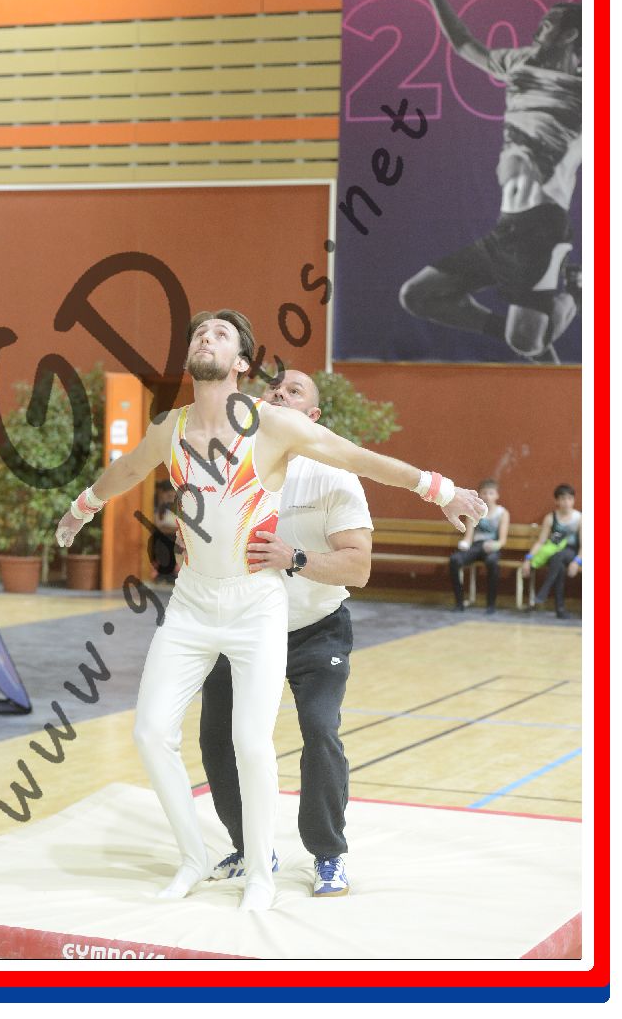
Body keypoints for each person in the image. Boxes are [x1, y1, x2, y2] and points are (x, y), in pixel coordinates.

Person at [55, 310, 486, 911]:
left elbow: (358, 457)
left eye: (220, 334)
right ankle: (193, 857)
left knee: (251, 742)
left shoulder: (271, 425)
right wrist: (82, 507)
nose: (205, 336)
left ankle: (261, 872)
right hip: (192, 604)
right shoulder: (169, 427)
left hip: (256, 604)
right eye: (200, 332)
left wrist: (441, 490)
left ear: (240, 363)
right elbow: (127, 469)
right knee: (150, 732)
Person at [199, 368, 372, 898]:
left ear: (312, 417)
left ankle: (328, 853)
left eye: (294, 391)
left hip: (316, 630)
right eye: (273, 387)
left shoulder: (334, 475)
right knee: (216, 738)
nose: (279, 392)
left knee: (319, 730)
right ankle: (252, 848)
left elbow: (358, 567)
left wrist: (292, 557)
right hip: (243, 628)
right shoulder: (231, 468)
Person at [399, 0, 582, 364]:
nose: (539, 27)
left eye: (550, 23)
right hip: (506, 228)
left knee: (529, 344)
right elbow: (465, 44)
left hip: (542, 226)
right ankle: (528, 330)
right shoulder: (519, 62)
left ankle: (572, 295)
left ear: (571, 34)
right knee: (419, 295)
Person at [448, 478, 510, 614]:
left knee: (492, 562)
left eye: (491, 493)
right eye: (484, 493)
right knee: (455, 560)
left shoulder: (502, 513)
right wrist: (465, 544)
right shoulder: (473, 511)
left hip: (492, 547)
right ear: (479, 495)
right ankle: (459, 603)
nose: (487, 496)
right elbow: (468, 537)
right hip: (476, 546)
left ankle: (491, 605)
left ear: (497, 495)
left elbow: (502, 540)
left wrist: (495, 545)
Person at [521, 483, 582, 618]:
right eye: (563, 499)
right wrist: (528, 559)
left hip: (572, 552)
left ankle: (544, 591)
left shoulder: (580, 518)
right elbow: (541, 541)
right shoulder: (550, 518)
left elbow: (585, 545)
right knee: (558, 564)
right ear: (557, 501)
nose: (566, 502)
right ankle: (560, 610)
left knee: (558, 557)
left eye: (570, 498)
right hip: (555, 552)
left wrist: (577, 561)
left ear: (574, 500)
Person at [149, 479, 181, 582]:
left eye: (172, 494)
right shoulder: (158, 507)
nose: (170, 496)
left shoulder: (179, 507)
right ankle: (163, 572)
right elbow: (158, 525)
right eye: (167, 494)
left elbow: (181, 526)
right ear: (162, 494)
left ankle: (170, 573)